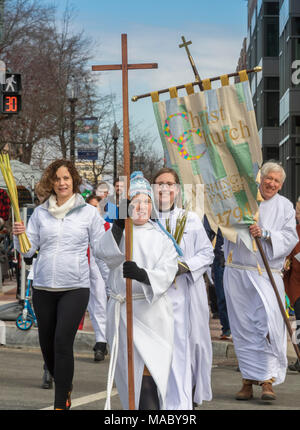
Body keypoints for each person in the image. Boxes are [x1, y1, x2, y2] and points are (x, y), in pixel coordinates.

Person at [12, 159, 106, 410]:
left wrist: (112, 279)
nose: (62, 183)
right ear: (51, 183)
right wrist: (19, 236)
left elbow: (101, 250)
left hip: (75, 286)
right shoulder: (41, 212)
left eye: (66, 178)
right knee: (47, 345)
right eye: (57, 179)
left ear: (74, 180)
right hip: (43, 286)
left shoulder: (88, 212)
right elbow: (29, 251)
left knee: (63, 341)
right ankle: (62, 379)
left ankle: (60, 400)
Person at [95, 171, 179, 410]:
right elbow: (104, 254)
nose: (141, 206)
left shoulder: (162, 238)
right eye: (135, 201)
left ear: (152, 206)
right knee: (129, 377)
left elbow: (168, 269)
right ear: (128, 205)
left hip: (151, 316)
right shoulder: (120, 233)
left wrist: (143, 275)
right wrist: (119, 226)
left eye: (146, 201)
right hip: (122, 315)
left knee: (150, 374)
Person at [223, 161, 298, 401]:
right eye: (269, 178)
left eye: (277, 181)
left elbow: (289, 238)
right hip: (237, 272)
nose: (272, 184)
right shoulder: (241, 200)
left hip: (267, 274)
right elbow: (223, 225)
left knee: (268, 325)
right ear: (260, 178)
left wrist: (265, 233)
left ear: (281, 185)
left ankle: (267, 381)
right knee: (243, 328)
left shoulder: (285, 206)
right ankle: (247, 380)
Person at [152, 167, 214, 410]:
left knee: (195, 343)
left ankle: (192, 391)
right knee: (168, 345)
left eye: (169, 183)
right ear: (153, 188)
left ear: (177, 189)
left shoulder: (190, 219)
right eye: (159, 183)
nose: (164, 188)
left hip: (188, 290)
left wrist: (185, 266)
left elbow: (207, 252)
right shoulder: (148, 220)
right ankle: (168, 396)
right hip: (160, 294)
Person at [85, 193, 109, 362]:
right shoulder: (81, 226)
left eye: (96, 207)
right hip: (80, 270)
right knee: (91, 307)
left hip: (100, 270)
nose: (93, 210)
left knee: (100, 304)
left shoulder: (107, 226)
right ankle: (101, 340)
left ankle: (102, 342)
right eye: (90, 207)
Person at [204, 216, 231, 340]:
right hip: (221, 260)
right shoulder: (212, 212)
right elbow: (205, 236)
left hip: (238, 261)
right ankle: (226, 328)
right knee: (222, 297)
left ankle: (238, 328)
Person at [284, 198, 300, 372]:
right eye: (297, 210)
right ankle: (299, 357)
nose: (297, 214)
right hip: (296, 284)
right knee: (299, 322)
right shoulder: (294, 231)